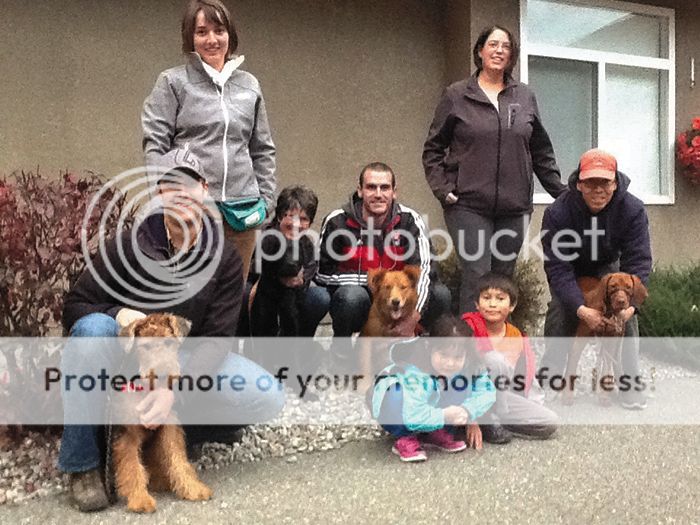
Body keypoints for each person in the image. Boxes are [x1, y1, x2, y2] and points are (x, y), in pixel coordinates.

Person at [59, 149, 284, 512]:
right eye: (169, 186)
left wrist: (170, 391)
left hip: (183, 360)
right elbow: (75, 307)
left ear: (204, 189)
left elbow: (217, 339)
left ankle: (183, 433)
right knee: (91, 331)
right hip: (125, 359)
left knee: (266, 394)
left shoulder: (224, 257)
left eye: (189, 184)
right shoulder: (127, 246)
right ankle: (83, 464)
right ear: (157, 195)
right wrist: (118, 314)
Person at [422, 25, 566, 314]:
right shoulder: (457, 94)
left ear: (511, 55)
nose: (499, 50)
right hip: (468, 205)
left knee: (501, 282)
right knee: (477, 275)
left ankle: (496, 353)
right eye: (493, 44)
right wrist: (443, 189)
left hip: (514, 207)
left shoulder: (524, 96)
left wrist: (561, 193)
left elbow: (540, 150)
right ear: (480, 51)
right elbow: (433, 148)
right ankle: (469, 349)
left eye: (506, 46)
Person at [142, 0, 276, 282]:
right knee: (192, 291)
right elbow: (155, 144)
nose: (212, 39)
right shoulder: (172, 82)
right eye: (202, 32)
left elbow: (262, 148)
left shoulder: (249, 84)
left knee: (234, 296)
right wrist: (167, 197)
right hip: (193, 210)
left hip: (243, 212)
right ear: (190, 37)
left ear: (230, 34)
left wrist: (265, 201)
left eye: (219, 30)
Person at [539, 148, 652, 410]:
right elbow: (557, 268)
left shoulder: (632, 209)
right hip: (570, 268)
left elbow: (639, 262)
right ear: (579, 183)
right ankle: (550, 378)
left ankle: (628, 382)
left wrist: (631, 307)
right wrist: (581, 309)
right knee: (560, 310)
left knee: (624, 314)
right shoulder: (558, 212)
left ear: (616, 182)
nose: (598, 190)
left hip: (608, 268)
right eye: (590, 183)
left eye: (605, 182)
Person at [309, 162, 452, 363]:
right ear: (360, 191)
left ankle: (431, 356)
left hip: (399, 293)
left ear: (394, 192)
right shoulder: (337, 221)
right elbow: (321, 273)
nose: (378, 194)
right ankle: (342, 353)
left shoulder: (410, 221)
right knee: (350, 296)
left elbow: (426, 270)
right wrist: (374, 281)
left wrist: (414, 316)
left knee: (440, 295)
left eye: (384, 188)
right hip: (360, 296)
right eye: (371, 187)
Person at [371, 316, 496, 462]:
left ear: (466, 354)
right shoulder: (416, 368)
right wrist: (444, 415)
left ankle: (433, 432)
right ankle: (405, 437)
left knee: (461, 381)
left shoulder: (471, 362)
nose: (450, 363)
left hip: (431, 403)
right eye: (443, 355)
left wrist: (468, 411)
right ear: (430, 347)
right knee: (396, 394)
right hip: (399, 407)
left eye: (457, 357)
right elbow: (412, 415)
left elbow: (487, 391)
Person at [463, 272, 558, 445]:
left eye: (500, 299)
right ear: (477, 304)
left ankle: (497, 423)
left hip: (500, 399)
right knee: (495, 360)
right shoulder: (467, 328)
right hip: (466, 395)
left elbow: (528, 374)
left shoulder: (517, 337)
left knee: (549, 421)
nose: (492, 304)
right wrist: (472, 417)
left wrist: (534, 403)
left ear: (512, 305)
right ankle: (484, 421)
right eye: (486, 298)